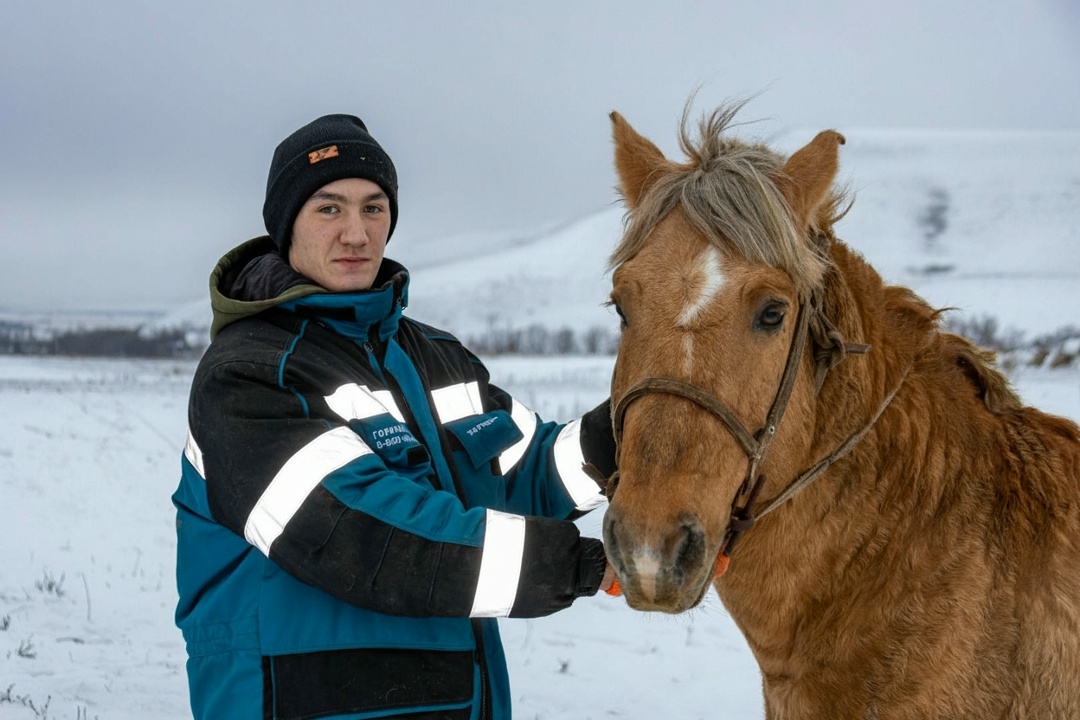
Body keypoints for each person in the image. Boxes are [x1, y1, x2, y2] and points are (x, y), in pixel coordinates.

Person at [172, 113, 617, 720]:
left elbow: (528, 472)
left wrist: (639, 432)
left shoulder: (434, 358)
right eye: (329, 209)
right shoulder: (249, 375)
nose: (356, 233)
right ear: (286, 225)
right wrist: (577, 564)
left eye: (373, 207)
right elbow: (361, 535)